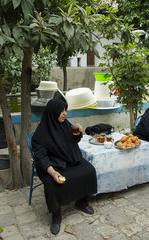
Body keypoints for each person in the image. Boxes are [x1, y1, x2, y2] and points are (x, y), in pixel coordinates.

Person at [32, 98, 97, 235]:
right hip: (52, 164)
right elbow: (41, 157)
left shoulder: (65, 124)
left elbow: (74, 139)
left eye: (65, 110)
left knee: (88, 171)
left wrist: (78, 131)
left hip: (70, 159)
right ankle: (56, 216)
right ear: (53, 112)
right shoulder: (41, 133)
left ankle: (82, 201)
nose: (65, 113)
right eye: (61, 111)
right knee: (51, 183)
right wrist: (52, 172)